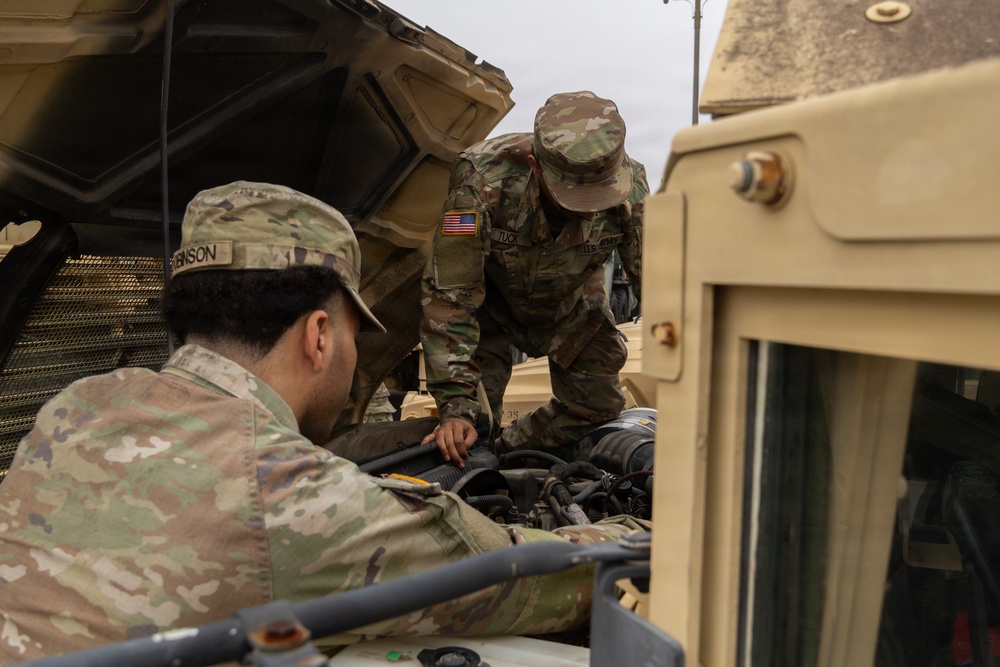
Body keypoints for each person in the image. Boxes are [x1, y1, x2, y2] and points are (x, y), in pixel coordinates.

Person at [0, 181, 645, 662]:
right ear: (318, 335)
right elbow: (537, 578)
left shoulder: (79, 404)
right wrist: (641, 533)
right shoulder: (291, 496)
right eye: (353, 332)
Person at [421, 91, 648, 465]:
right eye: (576, 198)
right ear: (535, 166)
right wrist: (455, 406)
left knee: (600, 407)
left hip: (572, 309)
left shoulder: (632, 188)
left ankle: (508, 452)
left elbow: (660, 286)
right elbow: (450, 296)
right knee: (467, 434)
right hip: (488, 314)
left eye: (600, 197)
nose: (591, 213)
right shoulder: (481, 181)